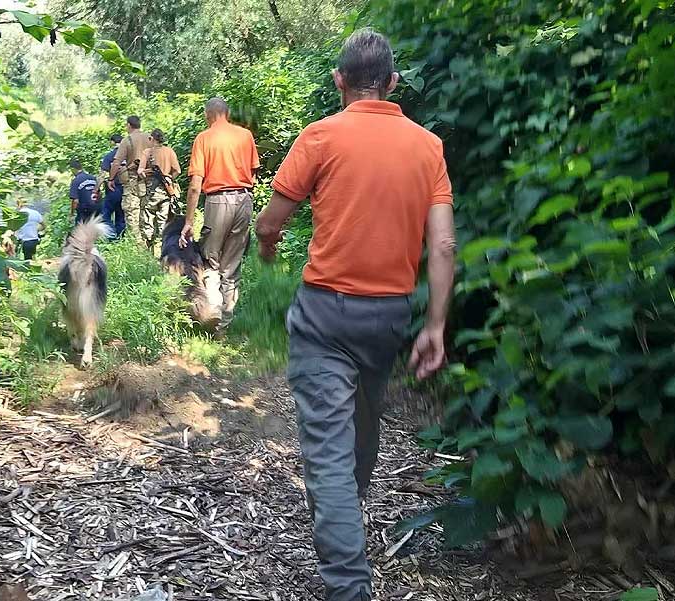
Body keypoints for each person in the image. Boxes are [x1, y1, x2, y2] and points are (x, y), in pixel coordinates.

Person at [255, 29, 456, 601]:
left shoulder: (320, 136)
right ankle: (343, 504)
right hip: (390, 317)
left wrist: (269, 250)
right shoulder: (428, 147)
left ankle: (348, 583)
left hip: (324, 315)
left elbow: (271, 222)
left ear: (339, 81)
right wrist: (435, 325)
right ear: (393, 83)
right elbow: (442, 247)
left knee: (328, 451)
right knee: (361, 428)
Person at [180, 97, 259, 334]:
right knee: (232, 265)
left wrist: (188, 221)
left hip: (217, 200)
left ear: (208, 115)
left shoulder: (204, 139)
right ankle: (225, 324)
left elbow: (195, 185)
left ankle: (212, 311)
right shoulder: (246, 136)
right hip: (244, 199)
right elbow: (253, 173)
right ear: (227, 113)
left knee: (210, 259)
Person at [109, 116, 153, 244]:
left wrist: (111, 179)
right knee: (147, 212)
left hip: (133, 180)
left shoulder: (127, 140)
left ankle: (137, 245)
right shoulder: (150, 138)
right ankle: (150, 242)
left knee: (132, 212)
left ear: (129, 125)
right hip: (150, 180)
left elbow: (116, 162)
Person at [138, 128, 181, 252]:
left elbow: (140, 171)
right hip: (166, 191)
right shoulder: (170, 151)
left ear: (152, 138)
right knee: (163, 220)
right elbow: (177, 170)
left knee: (148, 219)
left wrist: (145, 174)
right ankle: (163, 248)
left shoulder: (147, 152)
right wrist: (168, 178)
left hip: (151, 192)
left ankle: (149, 249)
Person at [98, 133, 125, 239]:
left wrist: (96, 190)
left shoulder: (109, 156)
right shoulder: (127, 156)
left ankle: (111, 237)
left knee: (105, 214)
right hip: (126, 189)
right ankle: (121, 237)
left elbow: (102, 175)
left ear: (112, 142)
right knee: (121, 214)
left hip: (112, 189)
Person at [69, 158, 99, 225]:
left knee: (81, 230)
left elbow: (75, 201)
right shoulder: (92, 178)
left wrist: (72, 214)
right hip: (96, 207)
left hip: (84, 210)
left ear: (73, 169)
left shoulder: (76, 181)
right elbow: (99, 193)